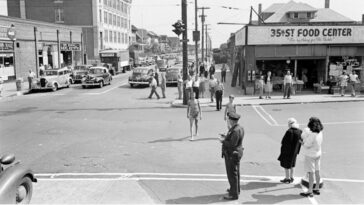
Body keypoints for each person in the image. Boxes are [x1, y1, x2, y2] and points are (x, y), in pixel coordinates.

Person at [219, 113, 244, 200]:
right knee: (236, 173)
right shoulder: (238, 128)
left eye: (229, 120)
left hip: (232, 154)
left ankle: (233, 194)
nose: (228, 121)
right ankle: (236, 190)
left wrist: (223, 141)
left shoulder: (235, 130)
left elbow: (232, 144)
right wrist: (226, 136)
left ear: (232, 121)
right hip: (236, 153)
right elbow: (233, 140)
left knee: (232, 174)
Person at [300, 117, 324, 197]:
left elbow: (307, 145)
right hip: (318, 153)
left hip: (310, 155)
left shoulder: (312, 135)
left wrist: (301, 142)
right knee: (317, 171)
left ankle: (309, 191)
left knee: (311, 173)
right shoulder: (320, 132)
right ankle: (316, 188)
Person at [278, 118, 302, 184]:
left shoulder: (289, 131)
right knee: (292, 164)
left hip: (288, 152)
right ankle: (291, 177)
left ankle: (287, 178)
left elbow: (284, 142)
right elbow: (300, 142)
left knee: (286, 165)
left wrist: (283, 151)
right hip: (295, 152)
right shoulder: (299, 131)